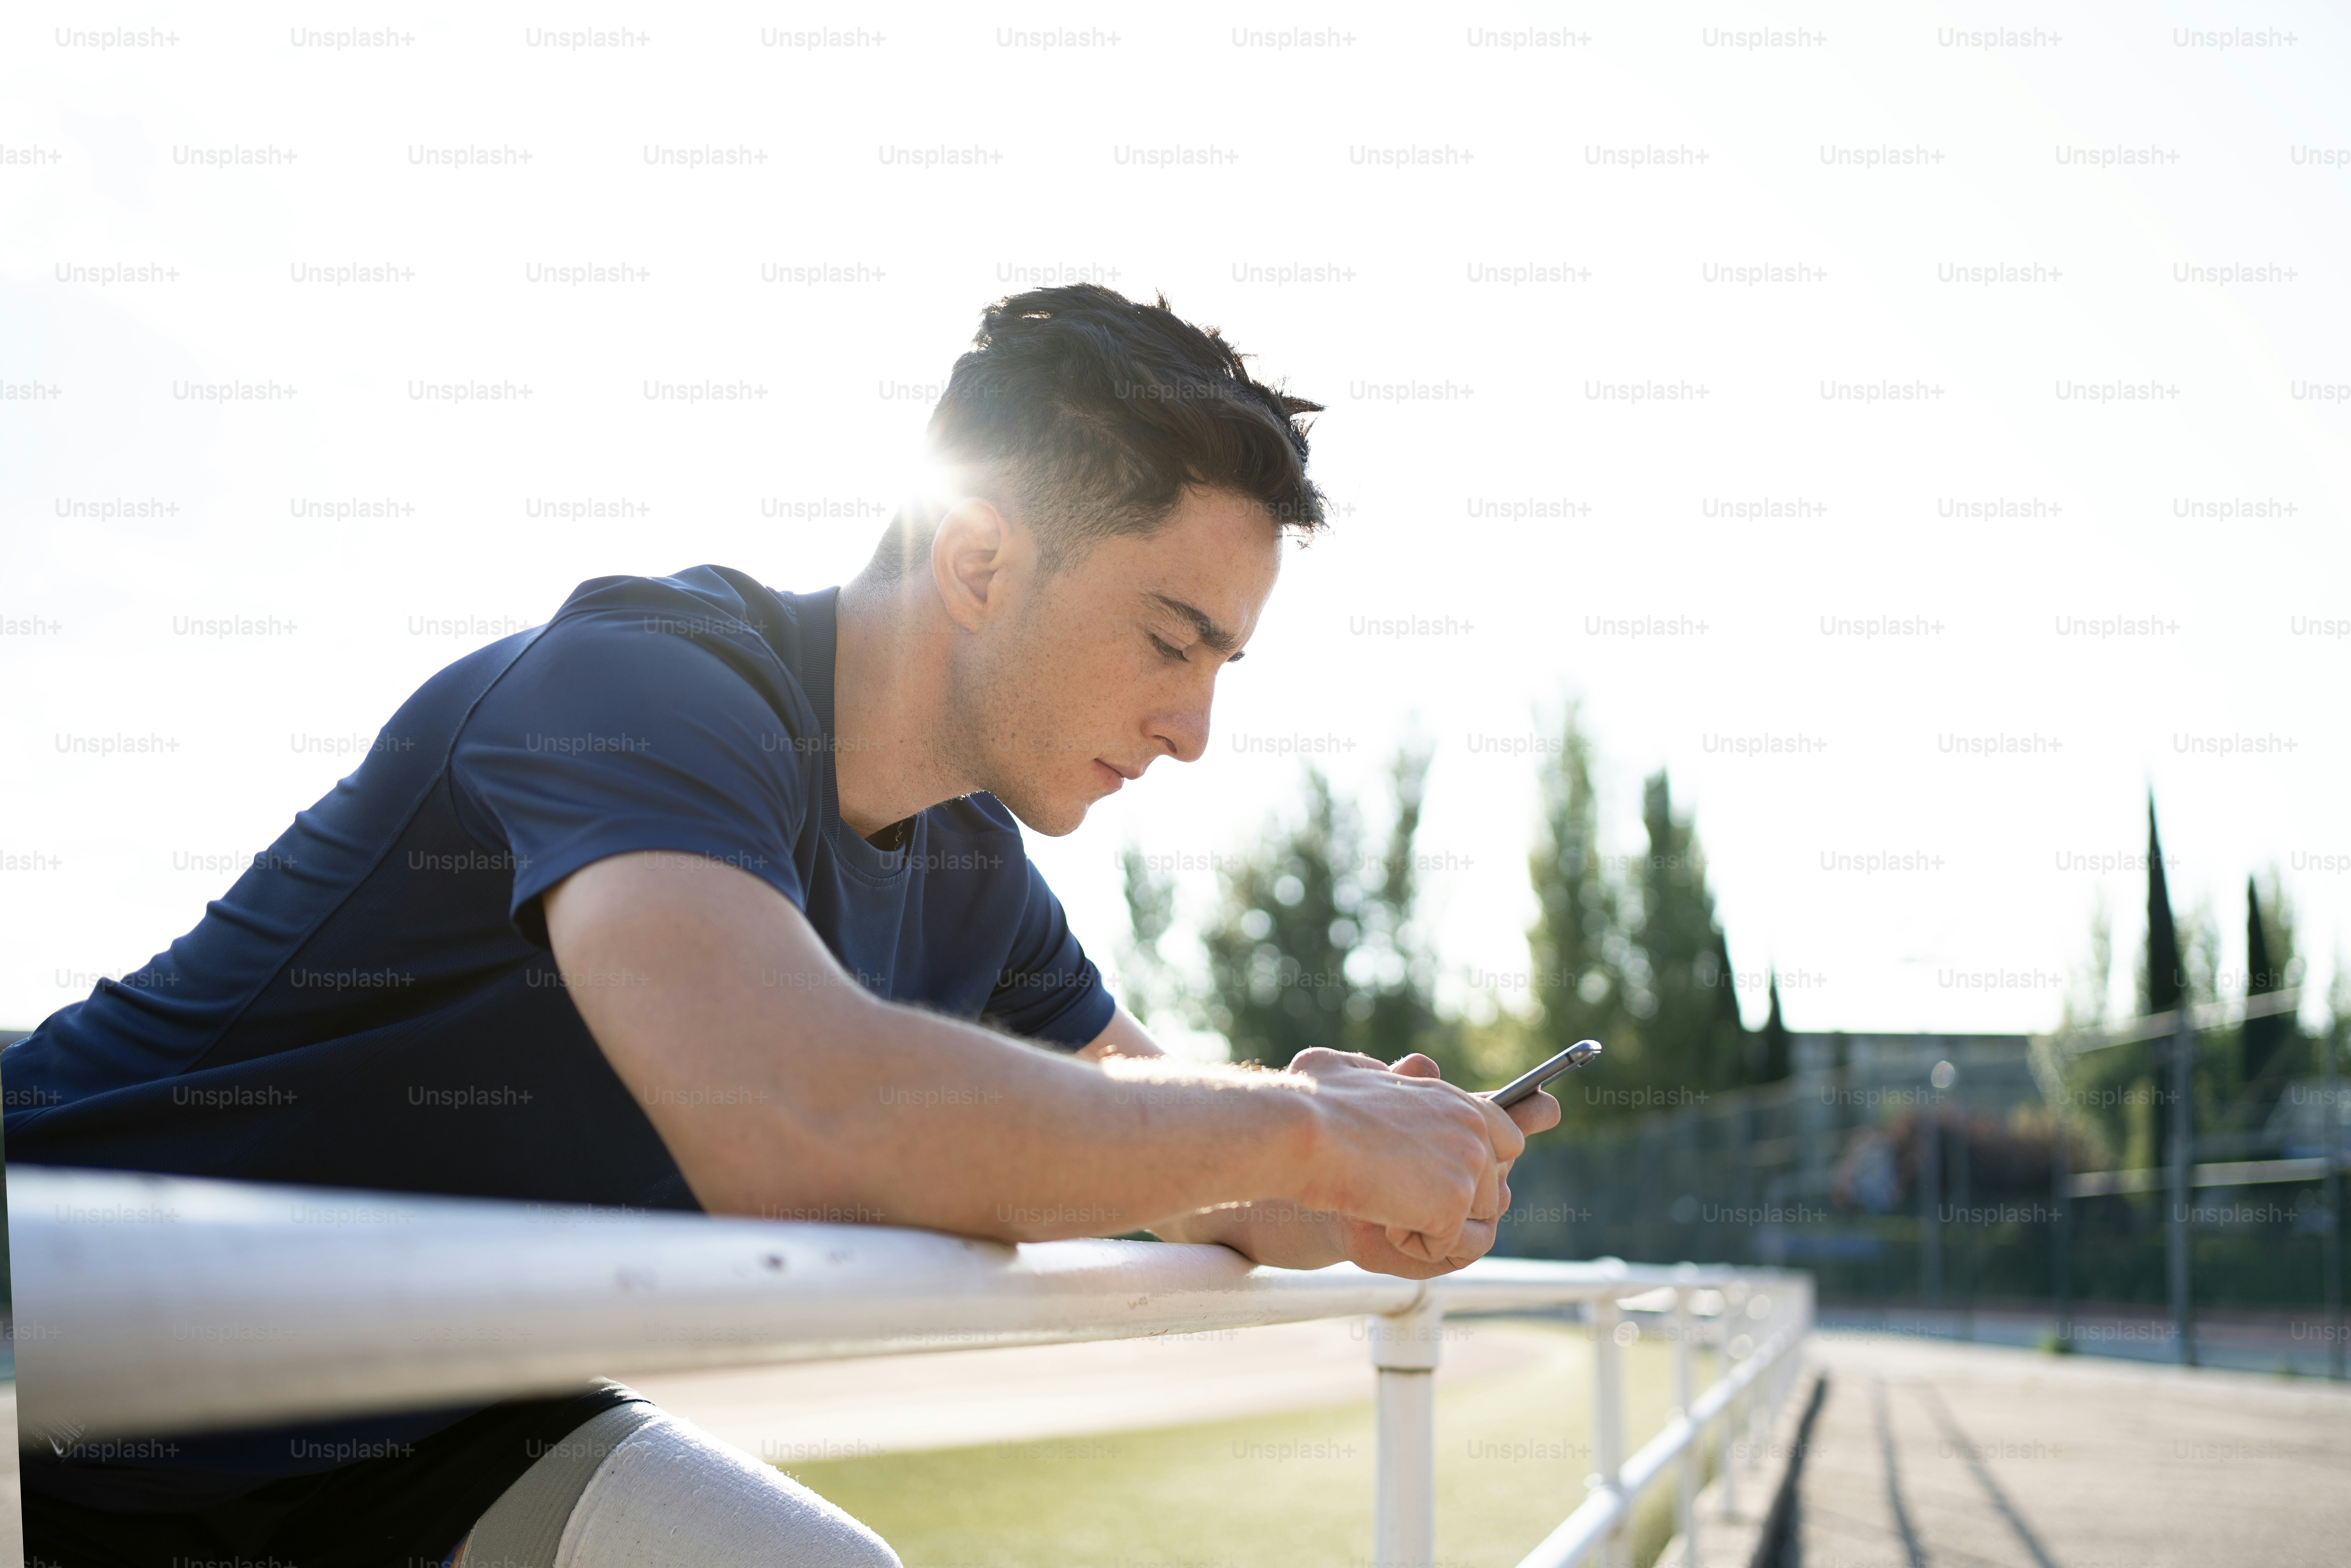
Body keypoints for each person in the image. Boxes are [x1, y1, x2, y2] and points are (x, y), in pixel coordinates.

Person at [4, 284, 1558, 1567]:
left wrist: (1392, 1179)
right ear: (978, 556)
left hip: (412, 1413)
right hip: (57, 1347)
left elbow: (1205, 1179)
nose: (1196, 729)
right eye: (1173, 638)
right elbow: (795, 1113)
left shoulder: (977, 880)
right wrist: (1301, 1130)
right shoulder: (642, 688)